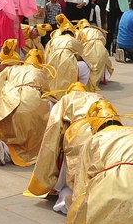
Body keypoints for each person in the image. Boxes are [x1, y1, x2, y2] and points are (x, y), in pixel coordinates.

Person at [26, 82, 103, 214]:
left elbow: (54, 126)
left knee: (71, 178)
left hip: (77, 134)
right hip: (101, 135)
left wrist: (48, 164)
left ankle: (69, 199)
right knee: (97, 170)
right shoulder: (98, 98)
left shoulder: (65, 100)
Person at [0, 46, 51, 166]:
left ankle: (2, 145)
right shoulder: (41, 72)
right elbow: (47, 93)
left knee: (5, 129)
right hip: (29, 101)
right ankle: (9, 151)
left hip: (9, 103)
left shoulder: (13, 68)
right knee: (33, 133)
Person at [44, 15, 87, 91]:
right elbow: (81, 54)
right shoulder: (73, 40)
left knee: (53, 78)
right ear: (73, 34)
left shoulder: (53, 39)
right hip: (67, 59)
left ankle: (52, 93)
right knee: (68, 77)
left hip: (52, 59)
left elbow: (46, 53)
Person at [74, 19, 113, 92]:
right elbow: (104, 41)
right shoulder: (97, 31)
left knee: (91, 66)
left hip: (89, 49)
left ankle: (91, 84)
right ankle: (100, 79)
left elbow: (77, 46)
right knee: (101, 62)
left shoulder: (79, 32)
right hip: (101, 48)